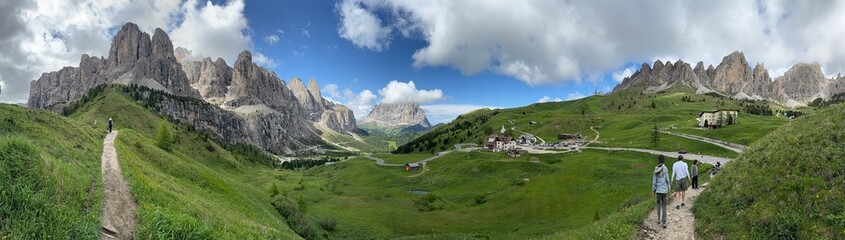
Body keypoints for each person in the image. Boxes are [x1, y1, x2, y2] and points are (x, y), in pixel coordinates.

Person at [652, 155, 670, 229]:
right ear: (664, 160)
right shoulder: (665, 169)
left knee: (658, 204)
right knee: (664, 205)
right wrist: (669, 188)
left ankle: (659, 219)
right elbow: (667, 179)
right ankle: (664, 222)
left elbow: (654, 180)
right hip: (664, 190)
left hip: (658, 190)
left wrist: (653, 189)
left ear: (658, 160)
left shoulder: (656, 169)